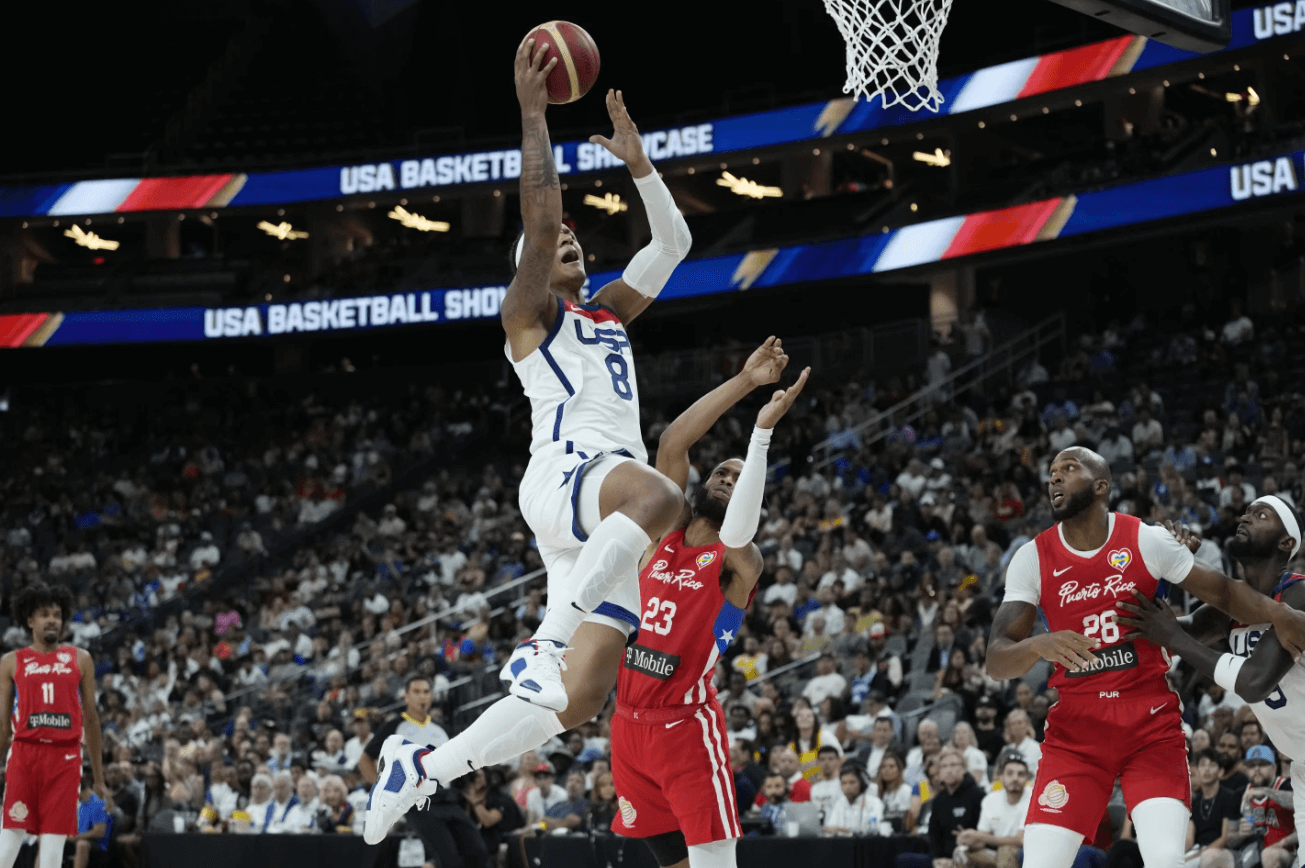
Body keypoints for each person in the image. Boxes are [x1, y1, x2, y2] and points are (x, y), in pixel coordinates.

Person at [366, 38, 695, 844]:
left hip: (590, 522)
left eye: (580, 239)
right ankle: (544, 641)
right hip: (570, 477)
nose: (569, 242)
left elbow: (673, 246)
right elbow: (541, 218)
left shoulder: (607, 312)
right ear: (531, 267)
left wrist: (641, 166)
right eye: (554, 246)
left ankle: (421, 769)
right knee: (663, 496)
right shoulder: (529, 315)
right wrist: (533, 114)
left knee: (577, 701)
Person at [987, 448, 1305, 868]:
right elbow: (996, 659)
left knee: (1166, 861)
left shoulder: (1145, 539)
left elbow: (1225, 602)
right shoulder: (1032, 557)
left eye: (1068, 469)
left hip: (1148, 724)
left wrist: (1281, 614)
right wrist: (1035, 646)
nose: (1055, 479)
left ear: (1102, 486)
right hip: (1076, 735)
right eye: (1051, 473)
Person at [608, 338, 809, 868]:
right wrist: (745, 382)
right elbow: (673, 444)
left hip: (684, 727)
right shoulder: (664, 533)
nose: (726, 480)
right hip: (627, 724)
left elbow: (742, 529)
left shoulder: (739, 561)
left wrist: (761, 431)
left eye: (741, 480)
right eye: (722, 472)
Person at [1119, 496, 1305, 868]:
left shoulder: (1299, 593)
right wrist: (1161, 565)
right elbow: (1160, 630)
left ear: (1287, 543)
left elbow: (1254, 682)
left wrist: (1175, 638)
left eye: (1261, 514)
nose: (1246, 516)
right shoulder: (1230, 609)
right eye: (1246, 511)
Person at [0, 584, 106, 868]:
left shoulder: (80, 658)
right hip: (24, 755)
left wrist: (98, 778)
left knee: (51, 852)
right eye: (44, 614)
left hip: (65, 758)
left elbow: (92, 719)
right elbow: (2, 724)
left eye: (57, 615)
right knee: (8, 844)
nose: (52, 620)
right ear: (29, 620)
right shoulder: (10, 661)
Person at [362, 676, 480, 865]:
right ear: (406, 697)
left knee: (478, 853)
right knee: (448, 859)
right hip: (418, 802)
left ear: (431, 696)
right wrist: (382, 790)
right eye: (416, 692)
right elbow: (365, 760)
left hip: (448, 797)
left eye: (426, 692)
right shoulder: (394, 727)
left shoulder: (442, 729)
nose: (422, 696)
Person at [954, 757, 1031, 868]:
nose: (1015, 778)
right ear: (1001, 777)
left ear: (1027, 778)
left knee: (1005, 852)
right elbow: (982, 840)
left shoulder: (1033, 798)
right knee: (960, 852)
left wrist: (978, 835)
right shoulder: (990, 799)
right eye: (1010, 773)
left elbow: (1020, 840)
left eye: (1020, 774)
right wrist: (969, 840)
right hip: (996, 851)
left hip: (1023, 851)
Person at [1185, 749, 1243, 868]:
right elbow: (1189, 840)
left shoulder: (1229, 797)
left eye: (1212, 765)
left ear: (1221, 772)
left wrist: (1196, 856)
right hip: (1198, 849)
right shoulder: (1195, 802)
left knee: (1206, 858)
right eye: (1202, 765)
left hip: (1222, 851)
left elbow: (1224, 838)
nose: (1206, 769)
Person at [823, 763, 886, 837]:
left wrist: (846, 831)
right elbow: (830, 829)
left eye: (852, 782)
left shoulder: (874, 803)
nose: (848, 787)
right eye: (844, 783)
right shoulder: (840, 803)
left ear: (862, 784)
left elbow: (874, 828)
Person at [73, 775, 110, 868]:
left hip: (96, 843)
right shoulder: (80, 803)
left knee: (82, 844)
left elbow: (99, 832)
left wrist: (76, 837)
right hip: (79, 837)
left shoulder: (98, 802)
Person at [809, 746, 845, 814]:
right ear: (817, 762)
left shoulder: (844, 785)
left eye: (830, 759)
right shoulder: (814, 788)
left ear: (839, 761)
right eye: (822, 759)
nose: (826, 763)